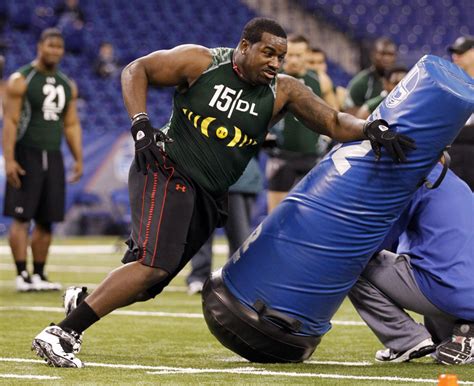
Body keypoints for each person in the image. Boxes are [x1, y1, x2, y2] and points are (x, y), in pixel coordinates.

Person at [31, 17, 413, 368]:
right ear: (243, 46)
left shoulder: (283, 91)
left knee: (152, 282)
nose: (276, 62)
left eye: (280, 56)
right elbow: (137, 70)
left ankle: (84, 302)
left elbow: (332, 120)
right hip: (168, 169)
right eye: (268, 52)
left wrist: (369, 128)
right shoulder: (201, 62)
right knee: (153, 266)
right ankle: (62, 333)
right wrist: (141, 124)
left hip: (210, 192)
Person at [348, 161, 474, 364]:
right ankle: (464, 334)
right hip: (464, 292)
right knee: (435, 265)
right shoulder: (457, 184)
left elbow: (377, 241)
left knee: (349, 261)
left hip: (444, 290)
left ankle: (407, 340)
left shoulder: (415, 180)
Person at [2, 28, 83, 292]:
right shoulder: (21, 79)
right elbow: (11, 122)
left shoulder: (66, 83)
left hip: (54, 154)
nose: (55, 51)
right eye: (50, 46)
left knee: (47, 219)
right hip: (27, 152)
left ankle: (39, 274)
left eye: (59, 47)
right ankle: (21, 275)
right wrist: (10, 159)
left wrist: (78, 158)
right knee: (22, 217)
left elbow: (71, 125)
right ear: (40, 46)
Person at [266, 35, 332, 213]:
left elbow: (334, 115)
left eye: (299, 55)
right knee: (275, 217)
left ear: (307, 55)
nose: (294, 60)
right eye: (291, 55)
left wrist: (325, 139)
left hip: (312, 157)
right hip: (281, 157)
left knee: (312, 215)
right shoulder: (272, 78)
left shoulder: (321, 80)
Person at [186, 157, 263, 295]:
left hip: (240, 179)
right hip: (206, 176)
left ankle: (236, 280)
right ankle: (199, 276)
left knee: (240, 238)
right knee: (202, 232)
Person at [446, 35, 474, 191]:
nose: (455, 56)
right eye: (454, 53)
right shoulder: (450, 83)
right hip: (455, 157)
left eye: (461, 52)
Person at [344, 37, 397, 114]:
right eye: (382, 53)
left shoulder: (403, 81)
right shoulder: (360, 83)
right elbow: (351, 117)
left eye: (390, 54)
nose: (386, 58)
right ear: (373, 55)